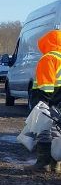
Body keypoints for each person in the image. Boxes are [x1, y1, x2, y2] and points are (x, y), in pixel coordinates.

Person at [32, 29, 61, 171]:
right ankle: (57, 165)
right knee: (58, 132)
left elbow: (46, 86)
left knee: (44, 131)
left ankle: (44, 163)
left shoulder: (48, 59)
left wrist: (42, 106)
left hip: (50, 101)